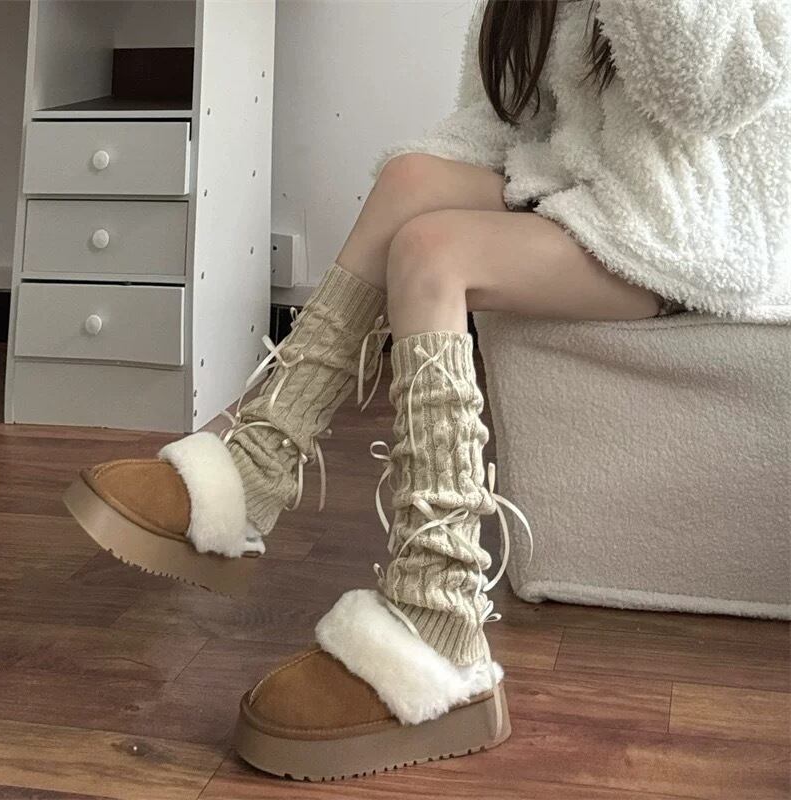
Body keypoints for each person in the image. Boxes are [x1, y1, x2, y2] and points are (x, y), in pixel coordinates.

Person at [63, 0, 790, 781]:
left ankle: (440, 611)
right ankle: (258, 463)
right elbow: (495, 121)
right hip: (595, 197)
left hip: (693, 232)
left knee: (433, 253)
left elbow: (712, 93)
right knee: (409, 179)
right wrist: (430, 180)